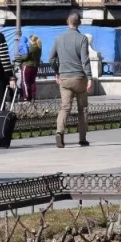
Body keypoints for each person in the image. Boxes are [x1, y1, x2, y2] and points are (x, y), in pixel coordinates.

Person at [49, 12, 93, 148]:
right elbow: (85, 60)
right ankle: (82, 138)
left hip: (65, 78)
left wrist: (57, 72)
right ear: (79, 22)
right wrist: (90, 77)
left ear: (67, 21)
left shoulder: (58, 39)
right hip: (79, 78)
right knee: (83, 108)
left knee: (65, 108)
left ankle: (59, 132)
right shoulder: (82, 39)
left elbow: (51, 59)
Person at [18, 34, 42, 102]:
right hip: (35, 67)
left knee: (25, 82)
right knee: (32, 82)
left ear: (31, 40)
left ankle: (26, 97)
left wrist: (19, 58)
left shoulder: (30, 47)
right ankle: (33, 97)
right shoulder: (39, 47)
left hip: (27, 66)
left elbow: (25, 57)